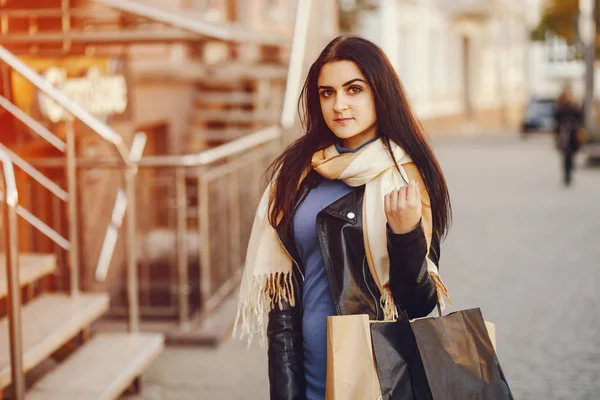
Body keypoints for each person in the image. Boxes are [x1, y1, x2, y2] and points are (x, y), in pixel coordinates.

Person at [233, 35, 452, 400]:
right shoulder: (298, 171)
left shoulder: (404, 176)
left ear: (380, 93)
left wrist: (405, 234)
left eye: (354, 89)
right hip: (309, 370)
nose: (339, 105)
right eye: (327, 93)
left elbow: (418, 303)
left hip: (380, 376)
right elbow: (282, 302)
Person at [554, 87, 584, 186]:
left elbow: (580, 119)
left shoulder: (575, 107)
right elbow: (557, 123)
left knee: (572, 155)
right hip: (564, 135)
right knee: (566, 156)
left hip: (574, 135)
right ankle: (567, 175)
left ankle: (570, 171)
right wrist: (557, 137)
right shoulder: (561, 108)